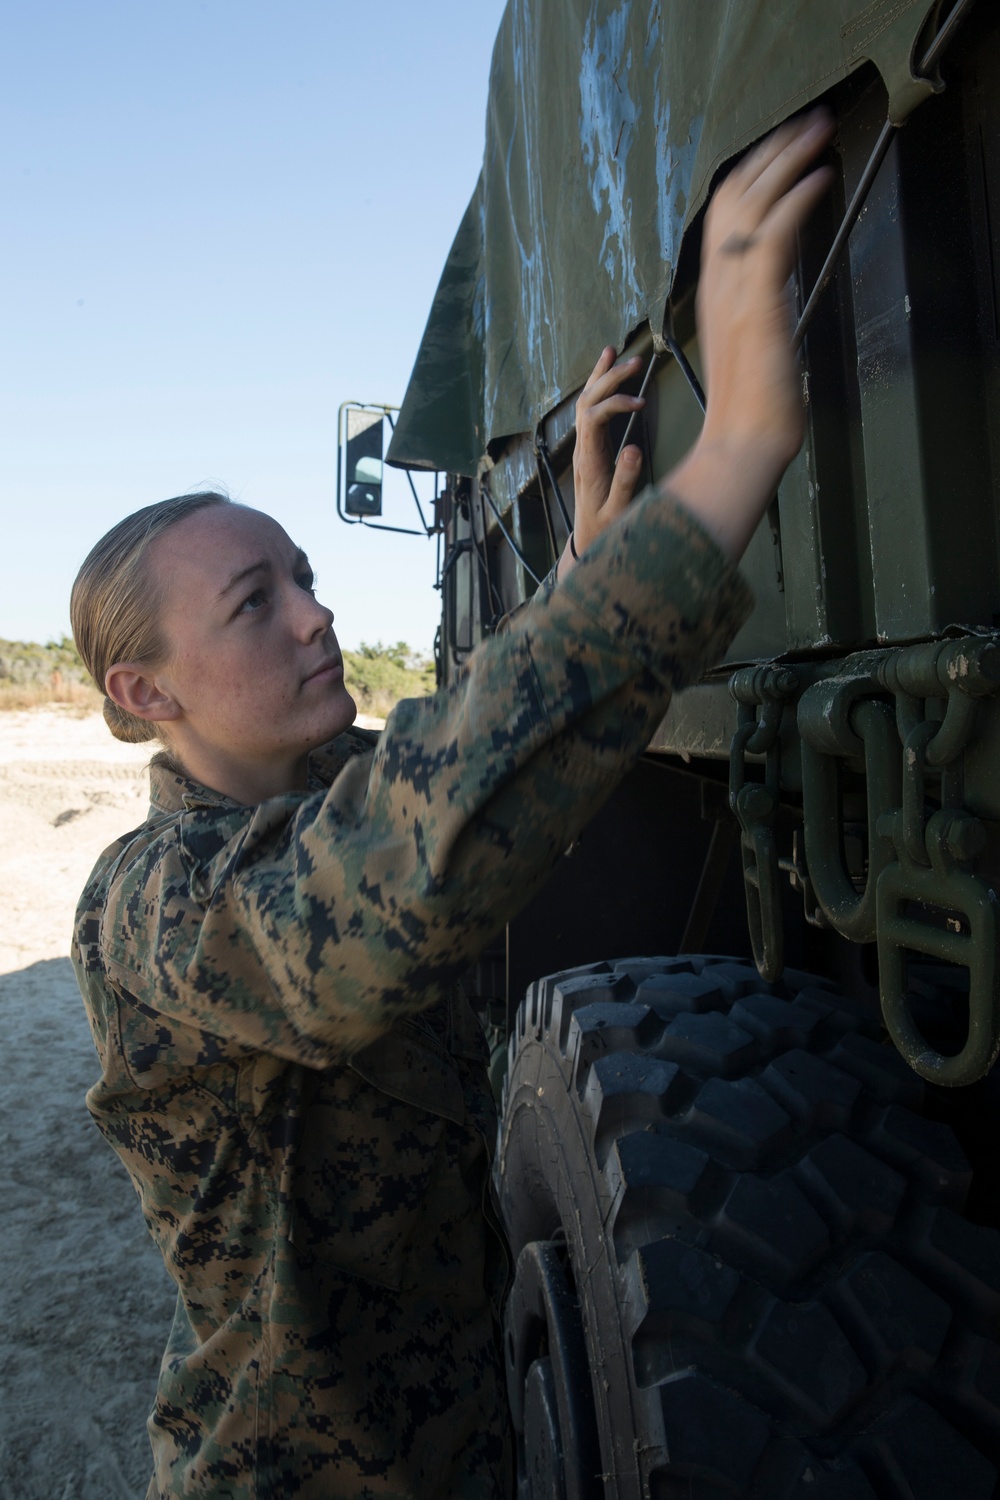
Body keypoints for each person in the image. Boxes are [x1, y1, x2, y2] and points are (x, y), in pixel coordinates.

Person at [70, 114, 833, 1499]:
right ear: (147, 691)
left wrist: (585, 577)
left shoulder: (346, 790)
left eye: (307, 575)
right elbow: (363, 889)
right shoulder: (146, 903)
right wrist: (736, 452)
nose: (316, 618)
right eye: (258, 604)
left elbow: (453, 761)